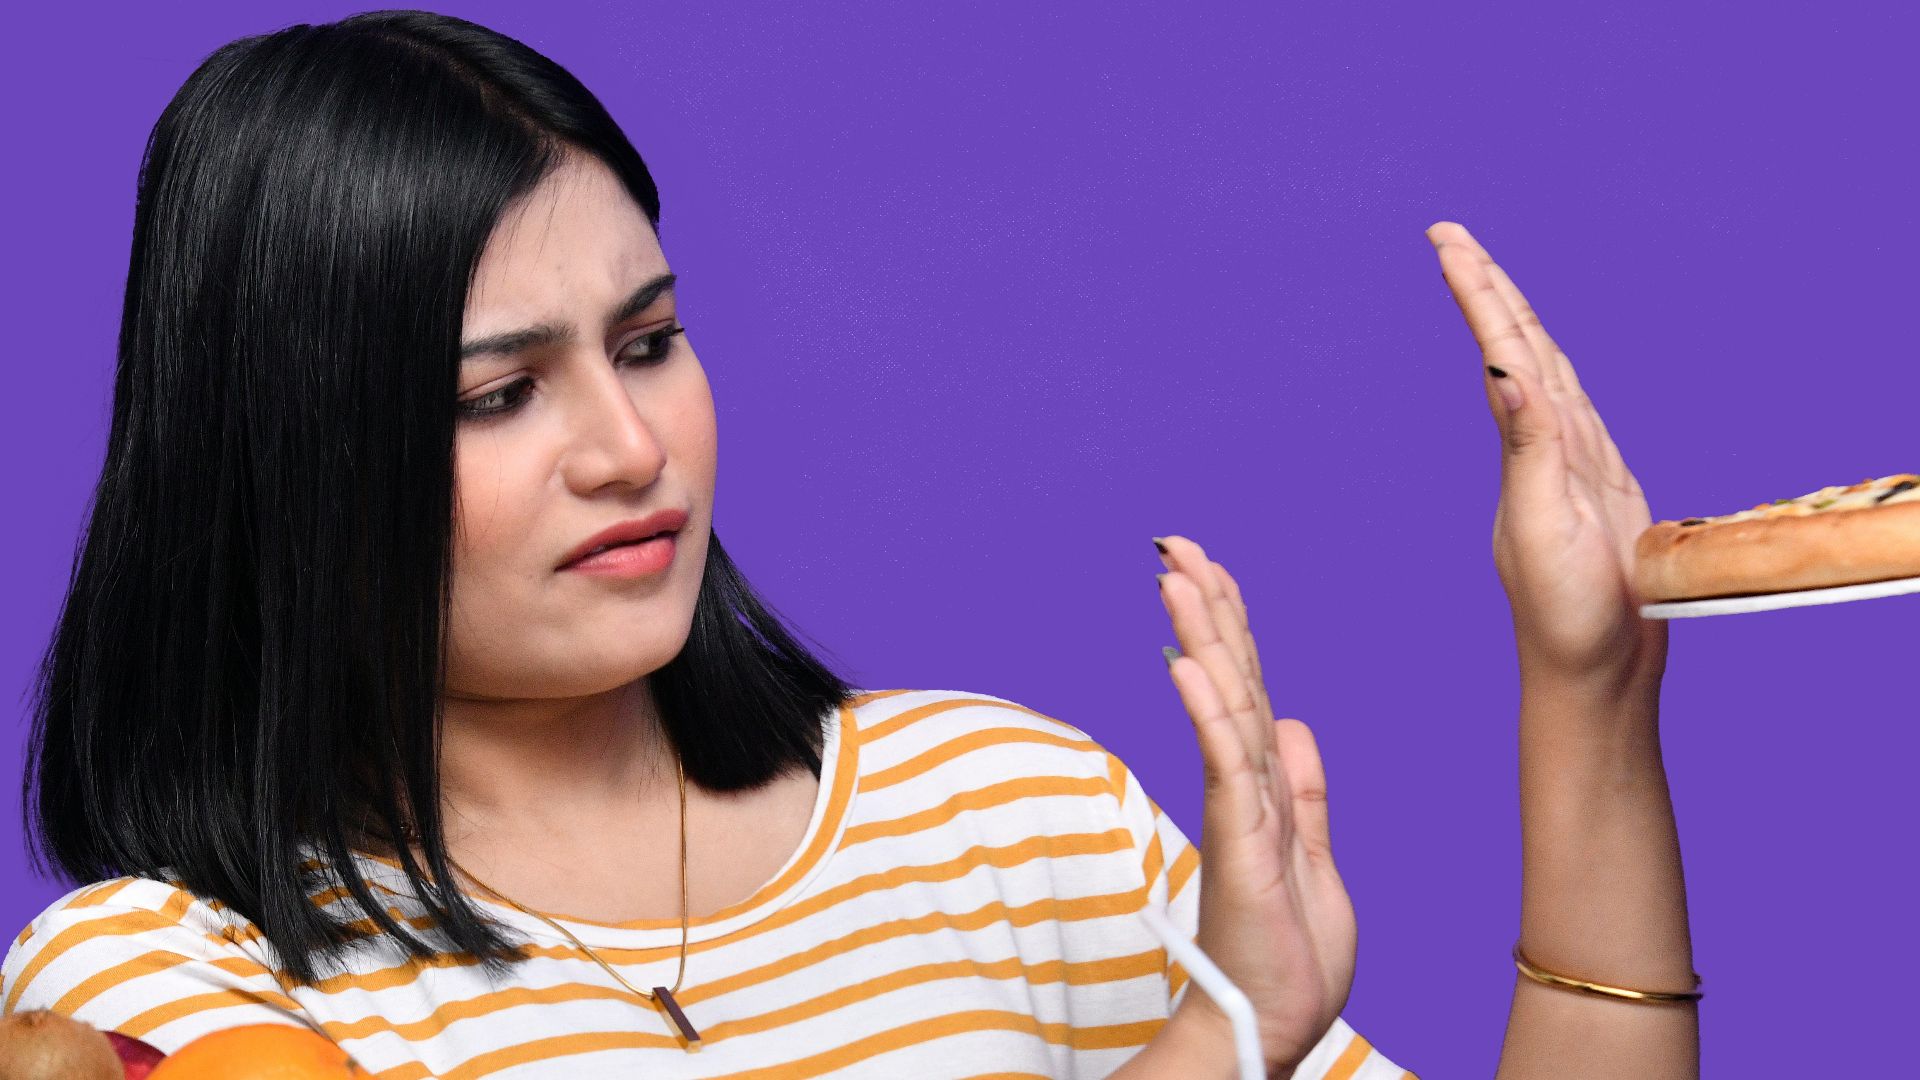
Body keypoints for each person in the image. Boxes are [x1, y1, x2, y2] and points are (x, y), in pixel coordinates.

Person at [2, 10, 1696, 1079]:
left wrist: (1590, 689)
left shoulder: (1001, 819)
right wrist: (1212, 1044)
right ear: (286, 467)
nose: (630, 446)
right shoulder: (164, 974)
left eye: (650, 341)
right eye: (501, 394)